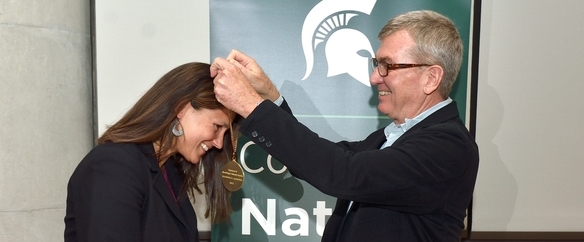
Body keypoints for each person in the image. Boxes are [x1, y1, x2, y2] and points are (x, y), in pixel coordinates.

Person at [210, 10, 479, 242]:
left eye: (387, 66)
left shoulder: (447, 146)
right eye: (376, 64)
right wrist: (270, 97)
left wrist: (250, 105)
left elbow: (343, 173)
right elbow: (321, 159)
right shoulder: (397, 135)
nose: (375, 77)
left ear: (431, 78)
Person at [64, 62, 239, 241]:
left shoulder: (169, 171)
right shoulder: (114, 166)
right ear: (181, 108)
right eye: (217, 126)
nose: (219, 143)